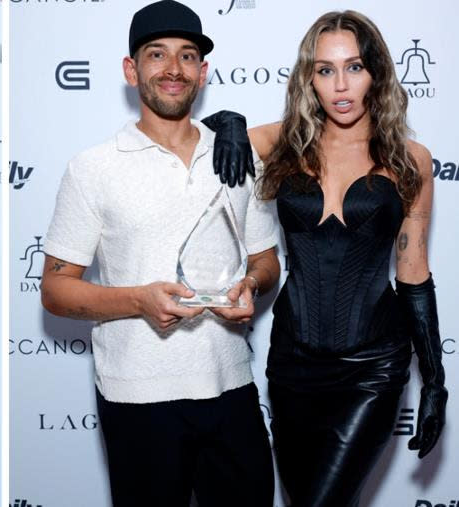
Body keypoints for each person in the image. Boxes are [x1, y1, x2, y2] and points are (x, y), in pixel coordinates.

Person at [40, 1, 279, 505]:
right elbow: (56, 290)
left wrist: (252, 284)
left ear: (203, 72)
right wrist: (140, 301)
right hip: (138, 398)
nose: (173, 69)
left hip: (231, 388)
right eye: (157, 55)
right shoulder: (94, 168)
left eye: (187, 56)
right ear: (132, 70)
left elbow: (266, 260)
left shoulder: (235, 155)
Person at [240, 10, 448, 506]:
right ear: (308, 78)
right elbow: (199, 145)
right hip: (292, 365)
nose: (340, 85)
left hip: (373, 366)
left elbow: (413, 272)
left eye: (354, 67)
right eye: (325, 69)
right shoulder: (283, 142)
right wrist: (225, 122)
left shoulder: (407, 159)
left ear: (376, 72)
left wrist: (435, 382)